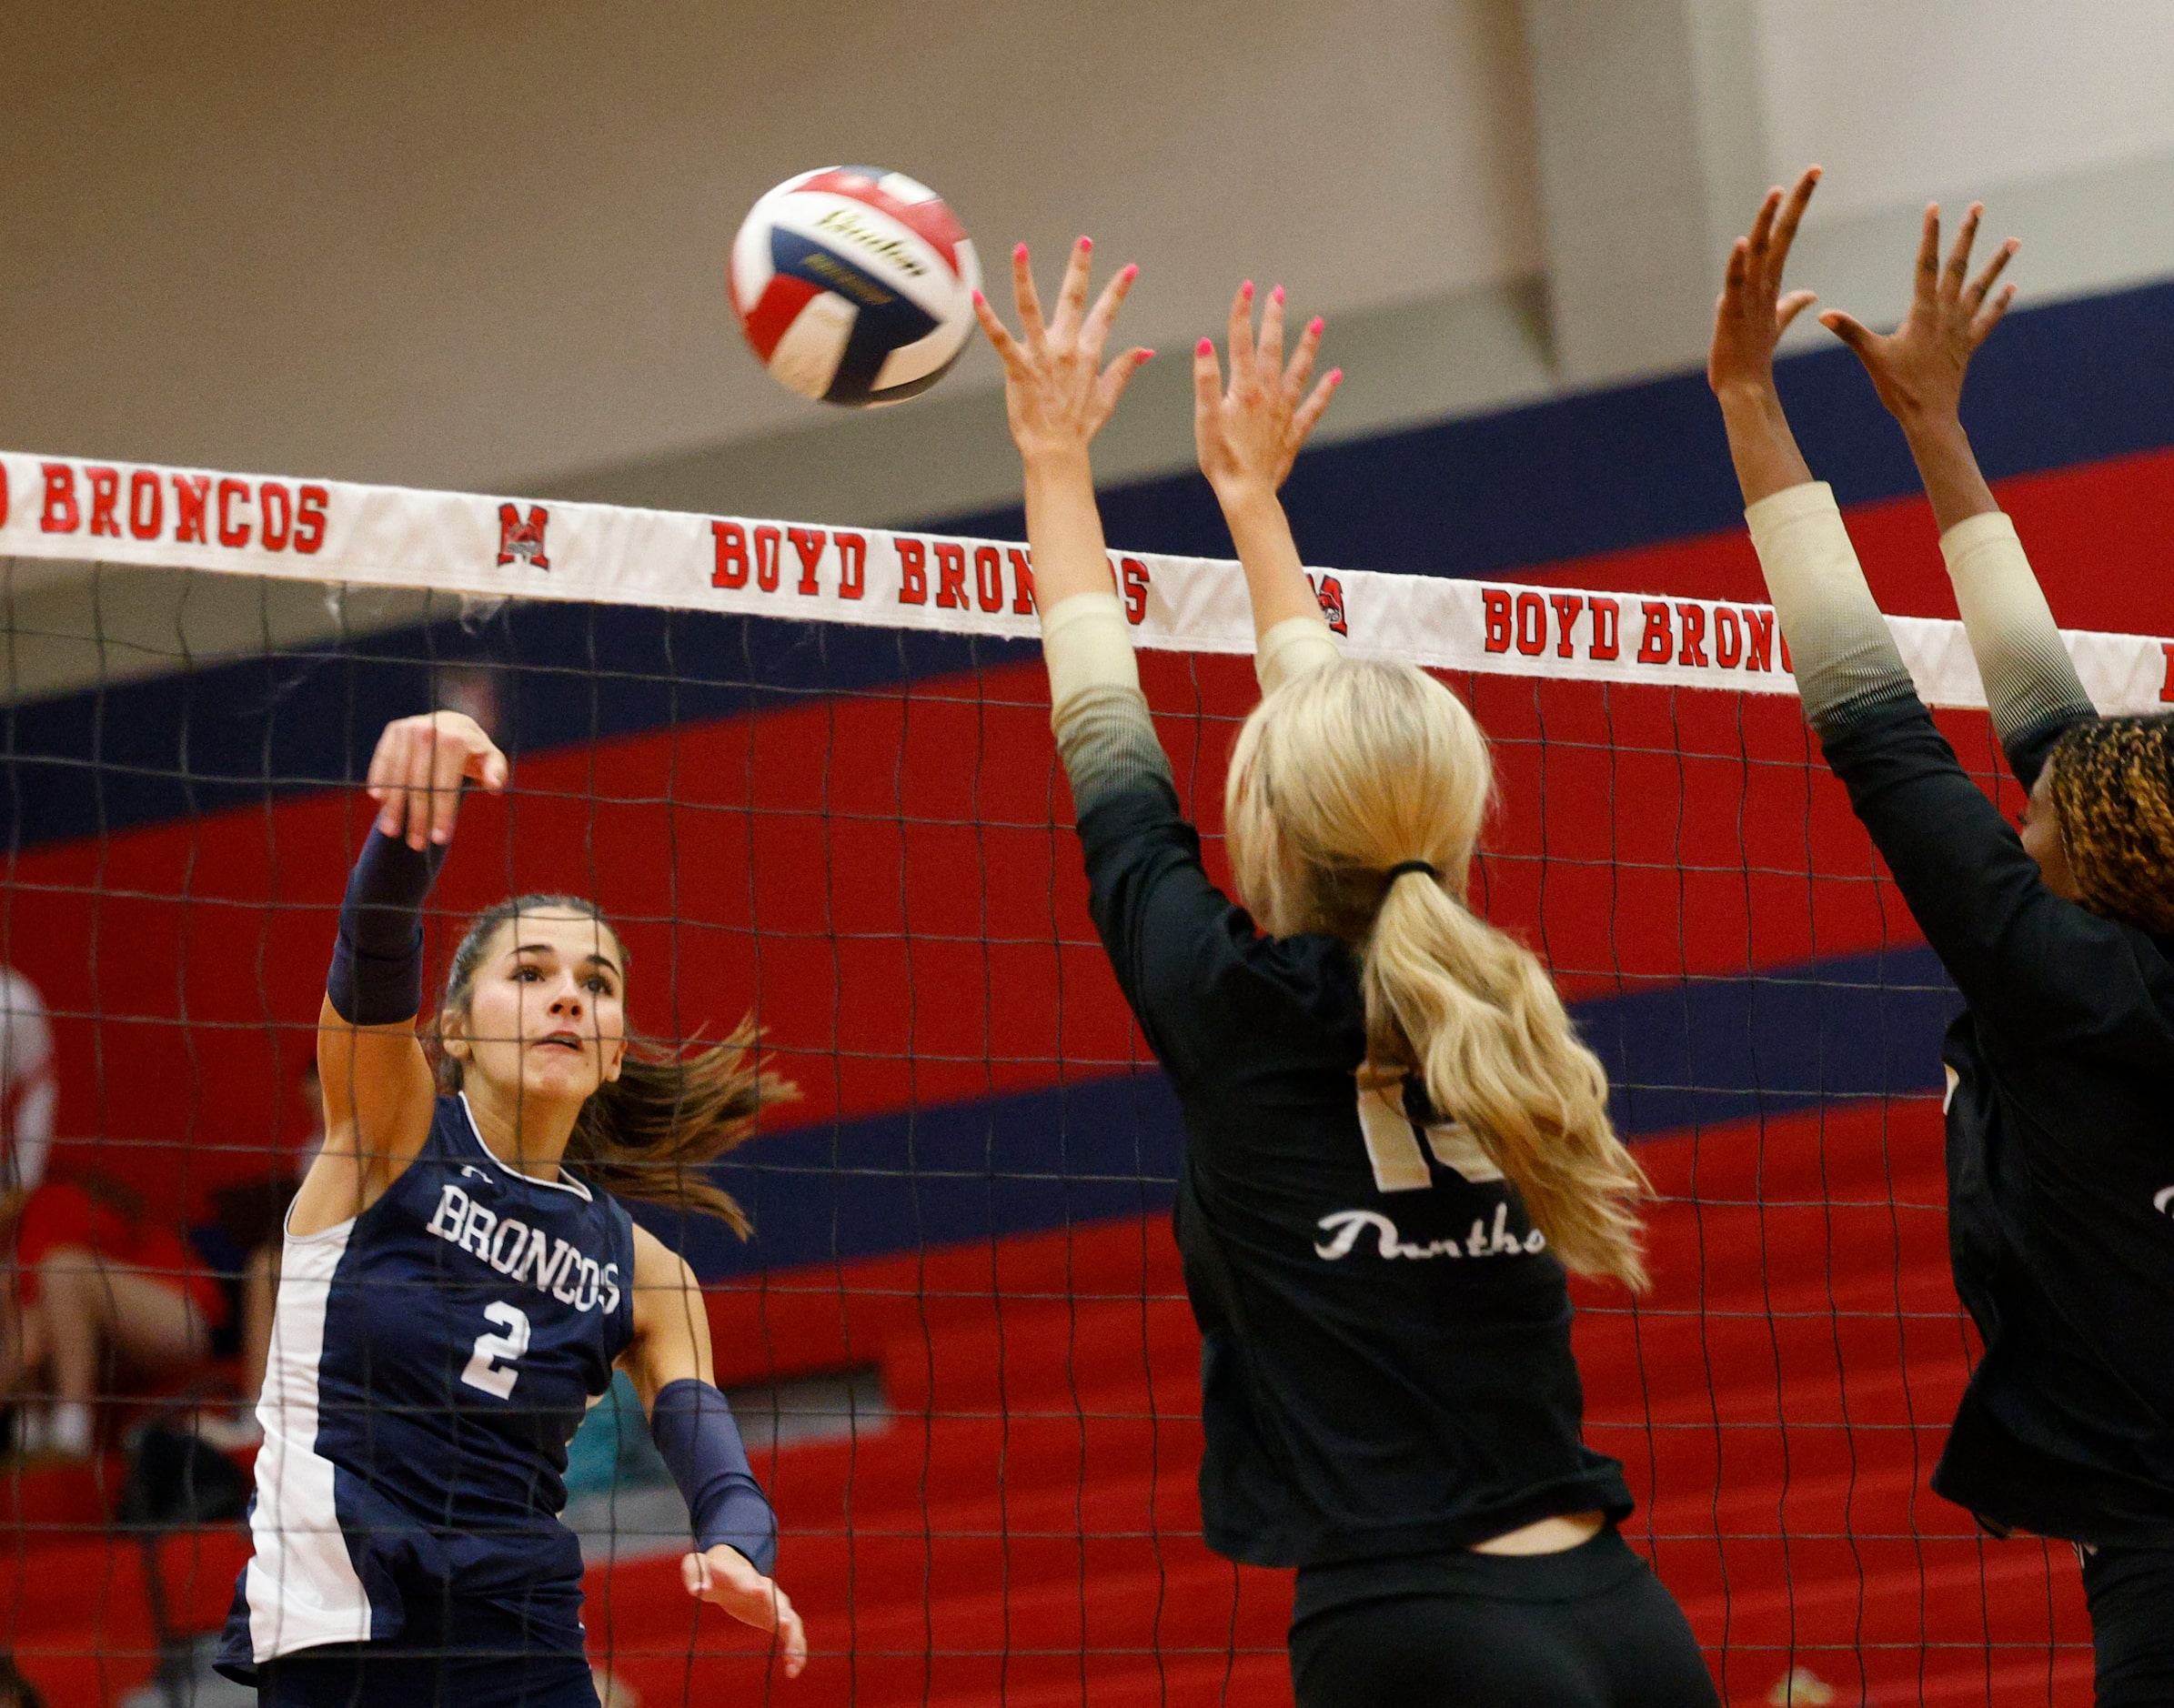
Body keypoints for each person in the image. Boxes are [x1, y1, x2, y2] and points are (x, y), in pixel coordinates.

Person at [971, 243, 1717, 1705]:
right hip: (1627, 1618)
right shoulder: (1497, 996)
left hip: (1418, 1629)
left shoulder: (1224, 1002)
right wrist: (1253, 508)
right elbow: (1342, 745)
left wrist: (1052, 457)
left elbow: (1098, 711)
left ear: (1266, 820)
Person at [1710, 166, 2174, 1706]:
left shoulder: (2053, 975)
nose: (2015, 804)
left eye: (2034, 813)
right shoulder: (2128, 934)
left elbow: (1877, 726)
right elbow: (2056, 726)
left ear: (2085, 861)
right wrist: (1935, 427)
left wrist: (1744, 402)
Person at [212, 710, 808, 1704]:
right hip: (340, 1639)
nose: (567, 998)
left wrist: (739, 1550)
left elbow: (716, 1464)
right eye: (528, 975)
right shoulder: (388, 1135)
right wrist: (411, 830)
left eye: (595, 984)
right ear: (452, 1027)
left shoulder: (647, 1270)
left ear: (615, 1053)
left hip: (522, 1651)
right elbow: (370, 956)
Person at [1, 1173, 223, 1455]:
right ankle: (31, 1436)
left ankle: (70, 1434)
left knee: (61, 1273)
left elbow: (30, 1345)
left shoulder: (52, 1201)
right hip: (113, 1352)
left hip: (181, 1316)